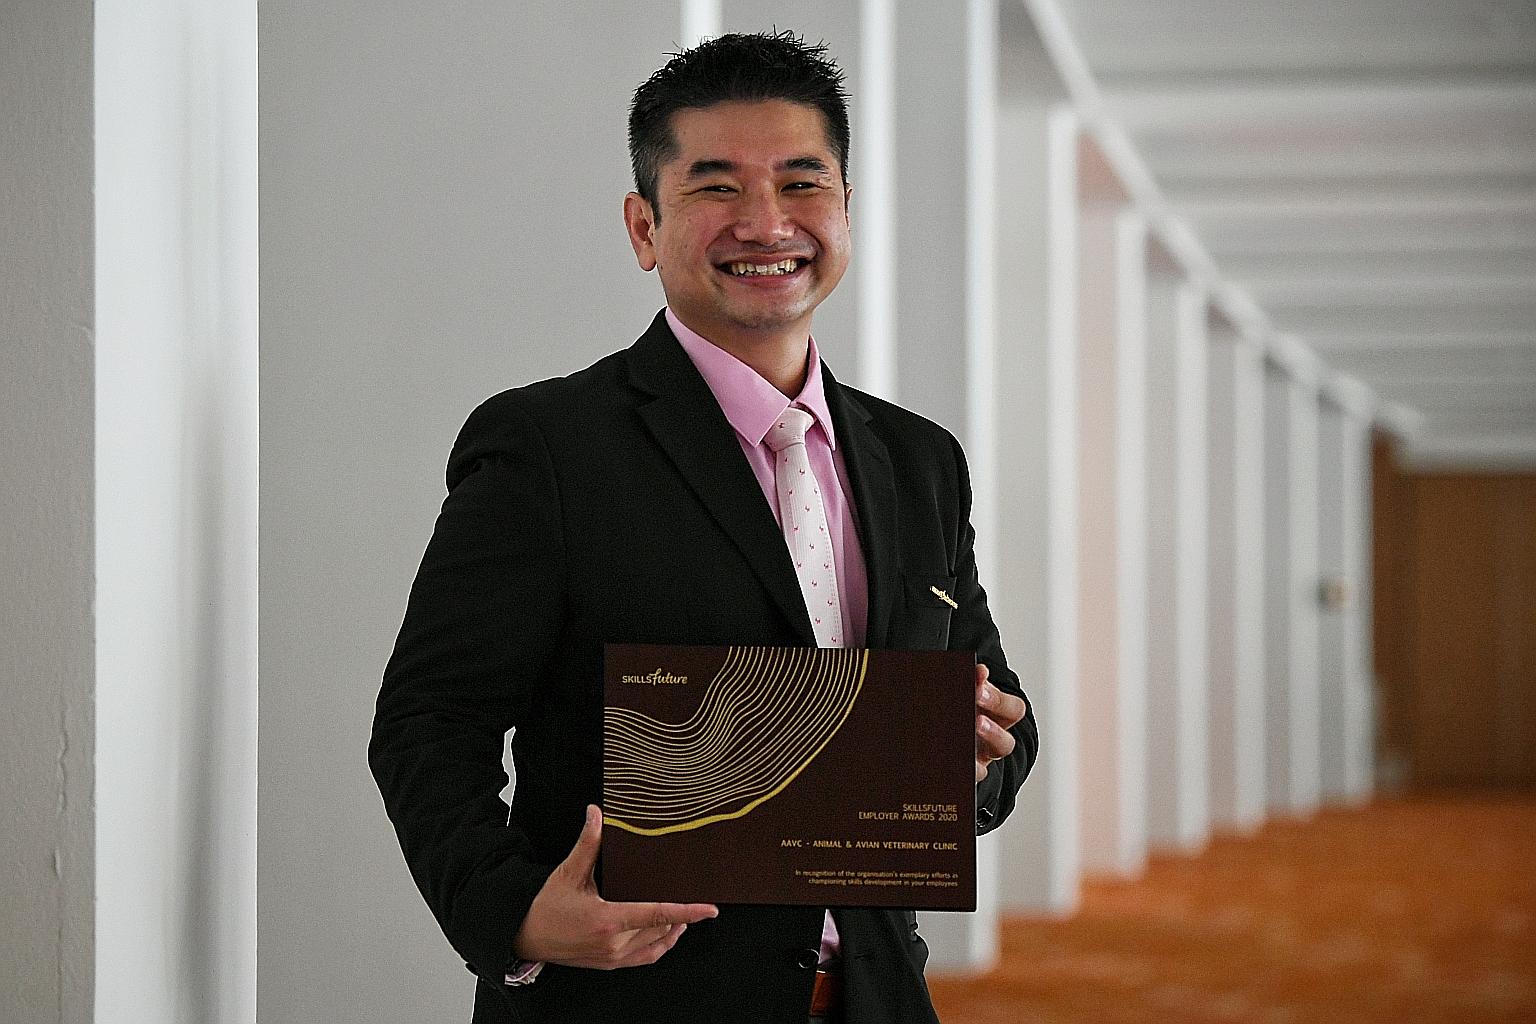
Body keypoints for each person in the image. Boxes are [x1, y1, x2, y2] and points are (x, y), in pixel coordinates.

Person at [370, 31, 1036, 1024]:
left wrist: (979, 751)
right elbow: (428, 721)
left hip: (874, 997)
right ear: (644, 228)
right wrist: (514, 914)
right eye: (716, 187)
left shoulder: (919, 460)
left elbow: (994, 705)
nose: (767, 222)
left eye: (803, 183)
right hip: (630, 1001)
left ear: (846, 209)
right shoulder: (546, 447)